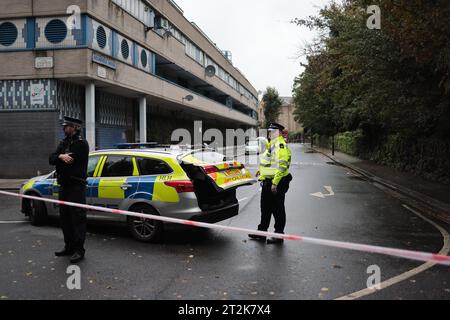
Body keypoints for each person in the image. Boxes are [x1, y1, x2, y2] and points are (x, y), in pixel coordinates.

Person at [49, 116, 89, 263]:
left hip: (76, 187)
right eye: (64, 126)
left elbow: (70, 161)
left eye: (67, 126)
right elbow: (51, 158)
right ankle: (69, 246)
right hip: (64, 186)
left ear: (75, 128)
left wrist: (60, 158)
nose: (64, 128)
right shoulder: (63, 143)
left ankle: (79, 250)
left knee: (77, 219)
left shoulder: (81, 144)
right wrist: (60, 156)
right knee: (65, 218)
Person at [249, 123, 292, 244]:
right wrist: (261, 172)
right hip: (267, 182)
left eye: (272, 132)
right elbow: (269, 163)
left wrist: (275, 183)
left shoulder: (280, 146)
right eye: (269, 132)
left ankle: (279, 235)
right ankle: (262, 233)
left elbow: (282, 166)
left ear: (278, 132)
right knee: (265, 209)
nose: (269, 134)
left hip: (276, 184)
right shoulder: (272, 144)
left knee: (278, 210)